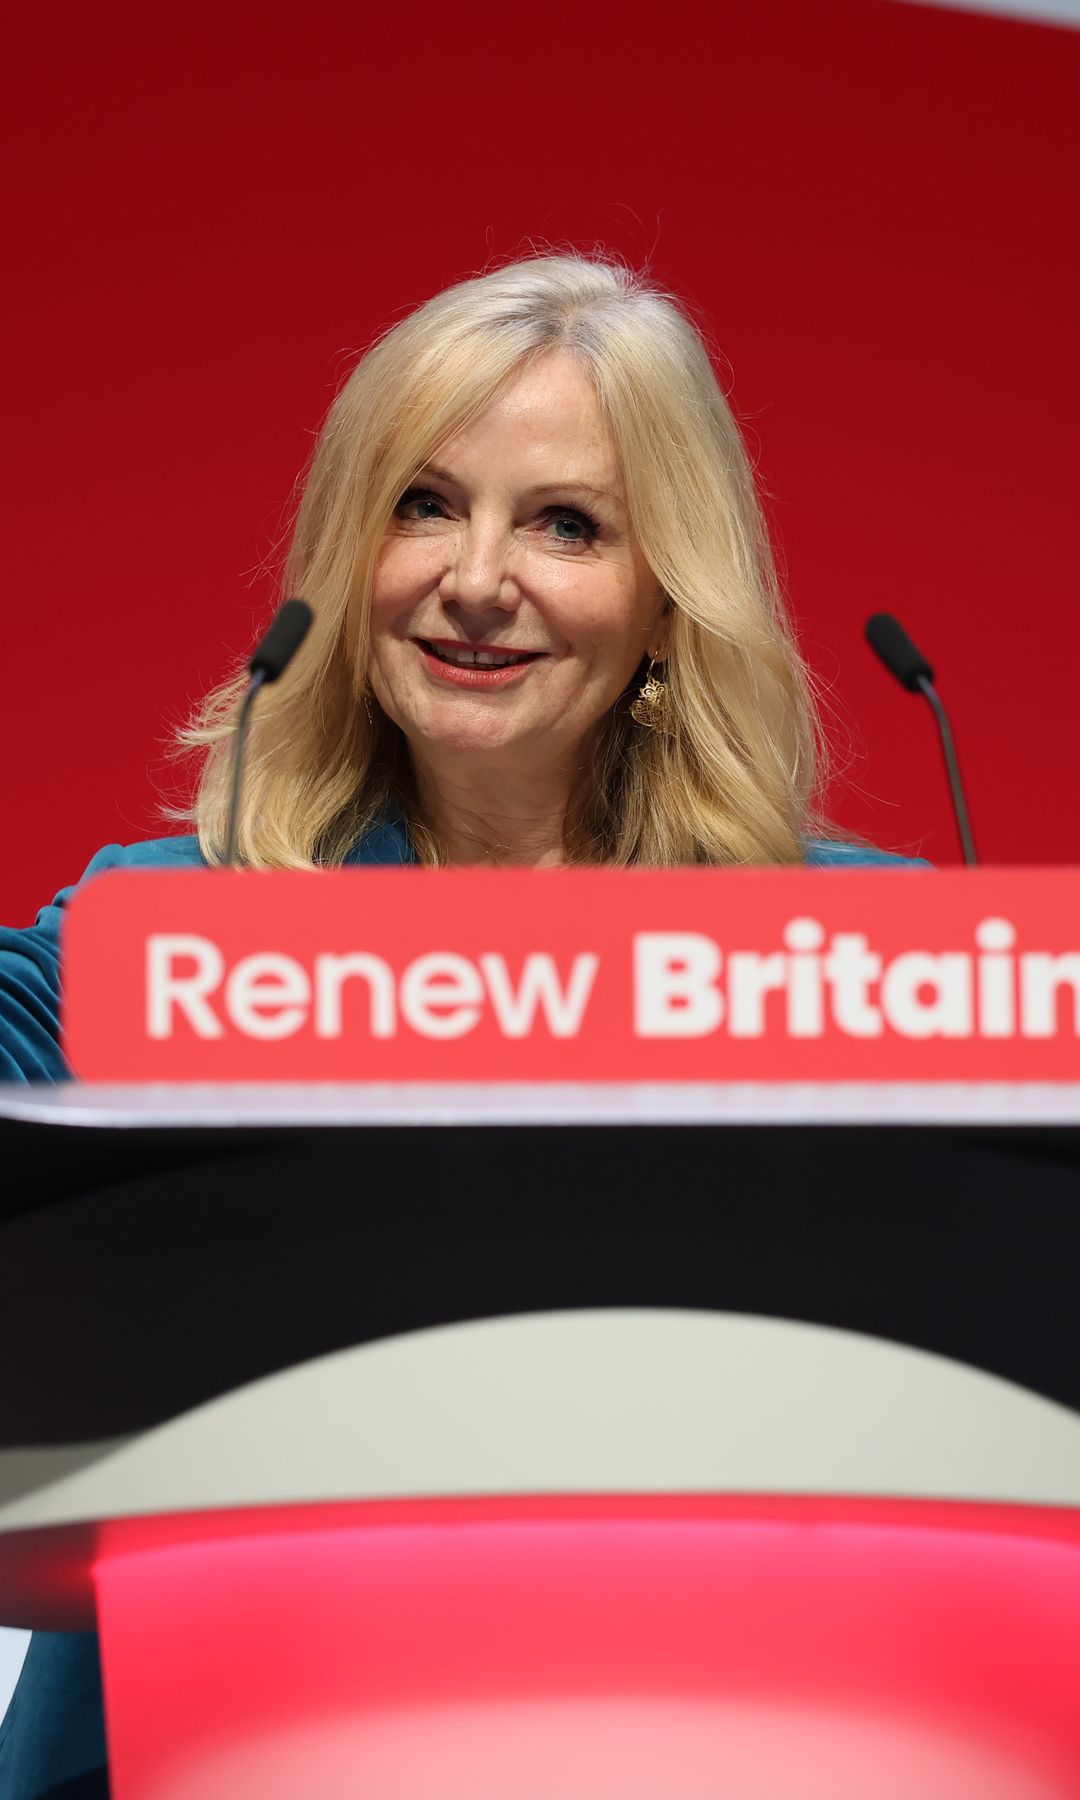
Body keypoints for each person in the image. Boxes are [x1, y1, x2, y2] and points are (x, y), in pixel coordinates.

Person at [0, 251, 924, 1793]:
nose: (475, 577)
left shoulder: (861, 960)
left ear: (663, 599)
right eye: (424, 503)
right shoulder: (188, 934)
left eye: (566, 524)